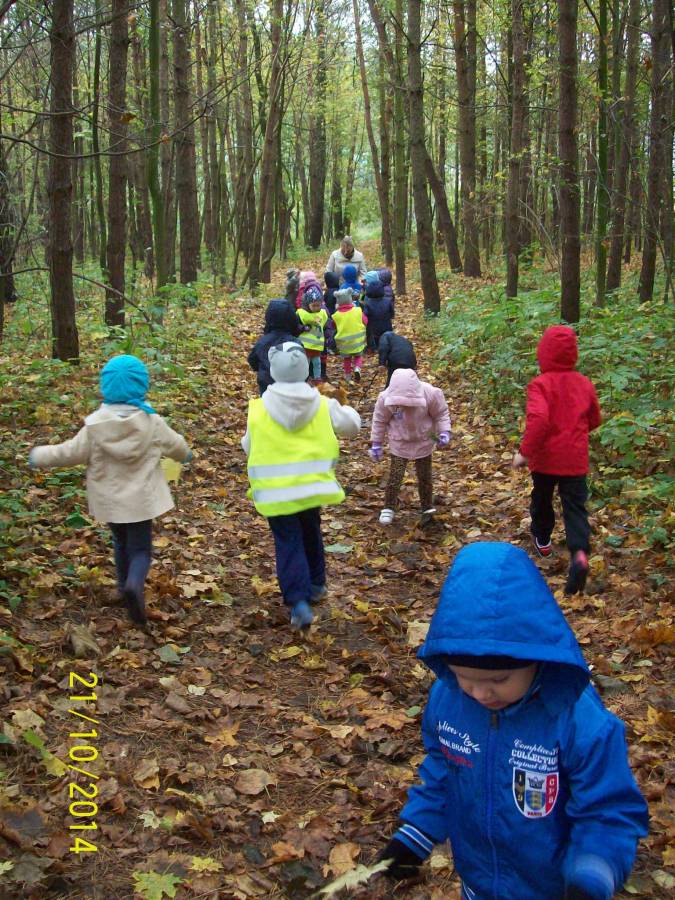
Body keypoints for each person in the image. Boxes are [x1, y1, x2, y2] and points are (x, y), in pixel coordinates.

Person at [378, 541, 648, 899]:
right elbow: (444, 772)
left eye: (499, 680)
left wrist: (591, 873)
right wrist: (416, 833)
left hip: (553, 888)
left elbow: (607, 810)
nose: (479, 693)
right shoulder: (449, 699)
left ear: (536, 659)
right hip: (479, 882)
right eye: (464, 677)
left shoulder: (575, 719)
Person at [28, 355, 191, 626]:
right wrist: (186, 455)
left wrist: (39, 456)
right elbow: (176, 445)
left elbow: (68, 452)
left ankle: (123, 585)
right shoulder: (151, 422)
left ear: (106, 386)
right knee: (141, 549)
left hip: (111, 501)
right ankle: (134, 585)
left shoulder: (94, 426)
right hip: (141, 501)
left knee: (120, 541)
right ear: (142, 385)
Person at [241, 343, 361, 629]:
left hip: (274, 491)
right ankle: (316, 584)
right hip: (311, 487)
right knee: (310, 530)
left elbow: (248, 446)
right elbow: (353, 427)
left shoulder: (258, 409)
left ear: (273, 370)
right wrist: (344, 407)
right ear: (305, 369)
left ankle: (298, 601)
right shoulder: (322, 404)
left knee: (287, 540)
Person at [512, 325, 601, 595]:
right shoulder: (584, 383)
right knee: (575, 508)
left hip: (546, 459)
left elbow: (539, 421)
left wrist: (525, 452)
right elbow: (595, 419)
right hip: (574, 459)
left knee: (542, 498)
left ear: (544, 353)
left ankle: (542, 540)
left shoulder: (540, 384)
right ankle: (580, 554)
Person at [370, 368, 450, 525]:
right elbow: (379, 420)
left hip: (424, 439)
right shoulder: (385, 399)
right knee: (396, 475)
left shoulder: (430, 394)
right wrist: (376, 443)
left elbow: (441, 414)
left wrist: (444, 432)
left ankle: (427, 506)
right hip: (400, 441)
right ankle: (389, 506)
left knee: (425, 475)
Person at [248, 299, 303, 396]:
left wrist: (262, 368)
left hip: (267, 387)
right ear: (292, 319)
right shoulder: (295, 343)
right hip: (290, 389)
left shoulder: (262, 342)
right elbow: (302, 365)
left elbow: (252, 360)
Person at [332, 287, 368, 382]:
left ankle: (348, 376)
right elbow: (365, 321)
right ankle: (357, 368)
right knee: (358, 356)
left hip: (344, 343)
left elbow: (333, 325)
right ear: (350, 299)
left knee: (347, 359)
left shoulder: (336, 315)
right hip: (357, 341)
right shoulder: (357, 310)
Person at [297, 285, 328, 383]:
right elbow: (296, 326)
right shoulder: (301, 314)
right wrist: (303, 328)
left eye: (318, 305)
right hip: (306, 345)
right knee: (306, 363)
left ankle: (317, 378)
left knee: (317, 363)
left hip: (317, 345)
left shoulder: (322, 313)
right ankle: (305, 378)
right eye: (313, 305)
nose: (316, 308)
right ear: (308, 304)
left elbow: (325, 325)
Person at [362, 270, 394, 351]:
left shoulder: (368, 304)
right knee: (386, 337)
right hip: (387, 326)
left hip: (373, 328)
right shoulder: (387, 301)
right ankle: (387, 346)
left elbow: (365, 316)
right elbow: (392, 314)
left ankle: (372, 347)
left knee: (371, 334)